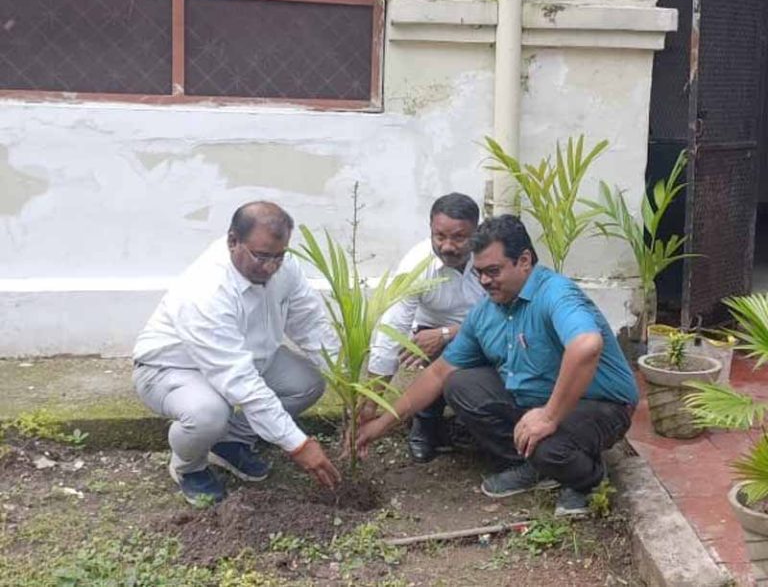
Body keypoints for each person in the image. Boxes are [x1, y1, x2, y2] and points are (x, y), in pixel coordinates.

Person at [355, 215, 638, 517]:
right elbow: (438, 373)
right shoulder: (486, 311)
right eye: (479, 273)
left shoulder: (556, 293)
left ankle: (587, 480)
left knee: (549, 447)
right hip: (537, 400)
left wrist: (549, 416)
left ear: (525, 260)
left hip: (601, 403)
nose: (485, 281)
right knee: (459, 384)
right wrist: (380, 424)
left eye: (493, 271)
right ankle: (532, 466)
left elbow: (586, 346)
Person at [133, 201, 341, 504]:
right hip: (173, 368)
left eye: (279, 256)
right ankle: (189, 466)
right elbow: (239, 380)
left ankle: (230, 442)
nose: (271, 266)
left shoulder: (283, 265)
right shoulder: (206, 290)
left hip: (247, 358)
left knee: (307, 383)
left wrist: (347, 382)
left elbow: (310, 323)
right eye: (261, 256)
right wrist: (297, 444)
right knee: (208, 413)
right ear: (233, 241)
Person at [365, 193, 485, 462]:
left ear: (476, 231)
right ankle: (426, 423)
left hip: (483, 331)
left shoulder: (489, 257)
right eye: (439, 236)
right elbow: (392, 328)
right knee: (429, 344)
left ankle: (473, 425)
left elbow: (501, 314)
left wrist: (449, 333)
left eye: (459, 238)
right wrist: (372, 400)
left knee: (460, 349)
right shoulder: (416, 265)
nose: (447, 246)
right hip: (428, 331)